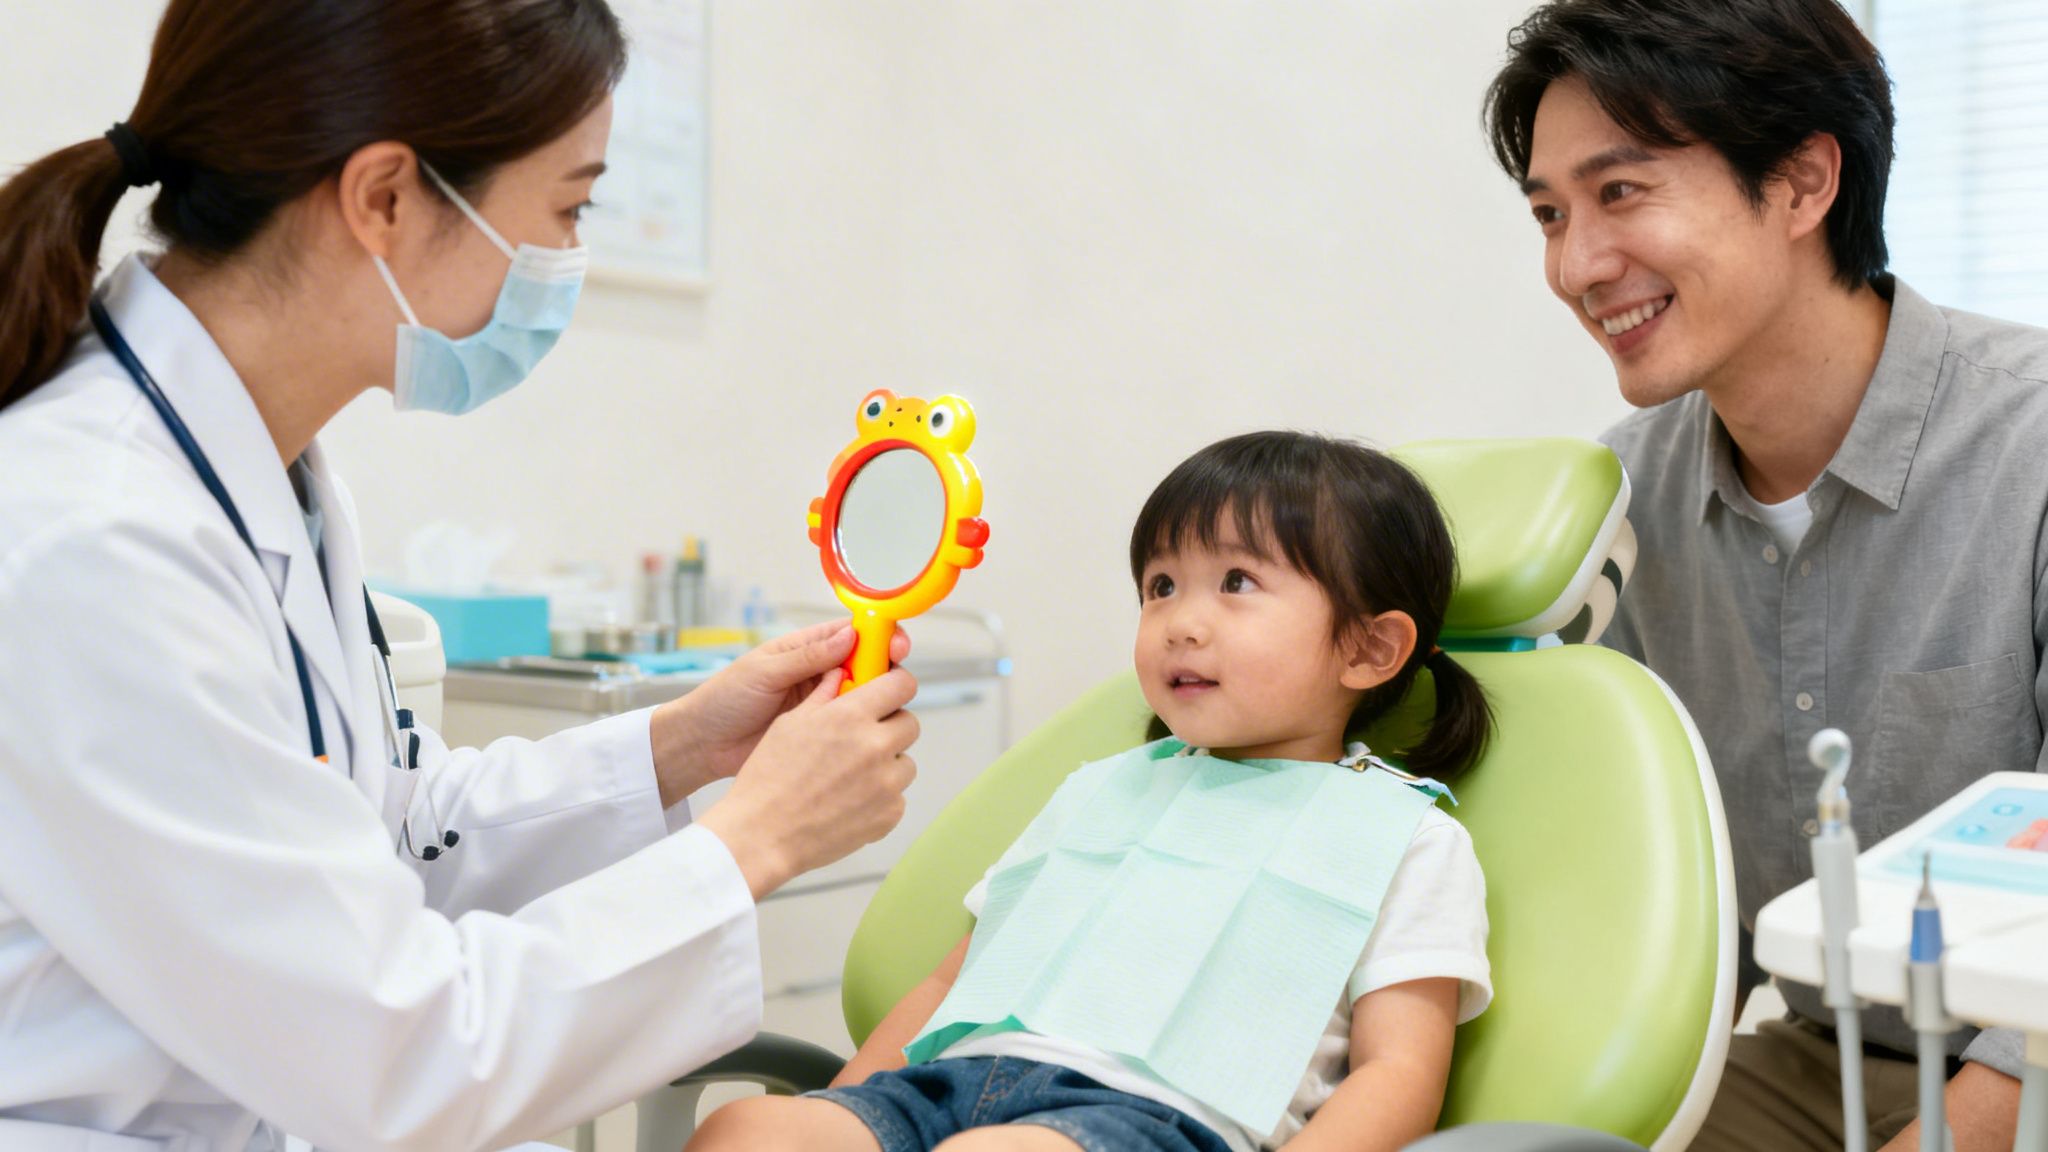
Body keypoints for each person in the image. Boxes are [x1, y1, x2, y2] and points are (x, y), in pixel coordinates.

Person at [0, 2, 922, 1148]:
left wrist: (682, 746)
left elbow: (383, 837)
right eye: (568, 206)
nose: (568, 261)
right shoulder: (94, 536)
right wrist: (757, 840)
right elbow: (393, 1052)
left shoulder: (261, 475)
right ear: (384, 197)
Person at [1483, 1, 2048, 1148]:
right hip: (1808, 1057)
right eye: (1550, 213)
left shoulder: (2028, 444)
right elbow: (1629, 878)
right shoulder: (1614, 502)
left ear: (1799, 183)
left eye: (1620, 192)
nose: (1575, 265)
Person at [687, 430, 1496, 1152]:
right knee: (751, 1130)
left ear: (1368, 647)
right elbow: (948, 983)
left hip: (1156, 1122)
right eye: (1161, 586)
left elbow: (1397, 1075)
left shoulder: (1405, 837)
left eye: (1238, 582)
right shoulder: (1099, 790)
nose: (1181, 620)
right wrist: (851, 1111)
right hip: (947, 1089)